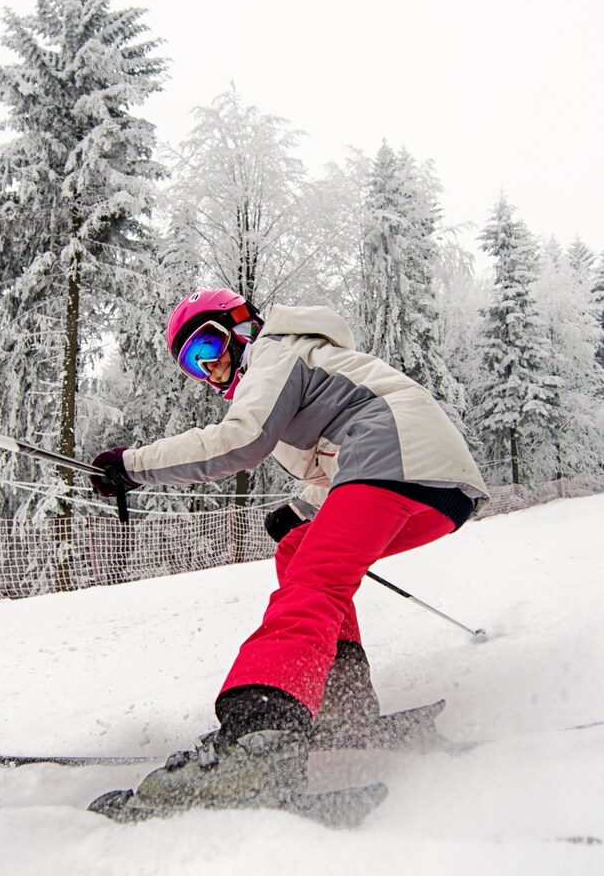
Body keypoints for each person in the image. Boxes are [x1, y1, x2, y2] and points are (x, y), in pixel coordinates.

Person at [87, 289, 489, 816]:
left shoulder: (276, 350)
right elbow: (334, 457)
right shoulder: (301, 364)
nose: (209, 368)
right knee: (301, 552)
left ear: (241, 326)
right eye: (192, 363)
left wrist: (132, 466)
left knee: (313, 581)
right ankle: (341, 705)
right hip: (436, 489)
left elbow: (240, 440)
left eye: (208, 345)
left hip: (395, 456)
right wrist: (302, 509)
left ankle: (258, 738)